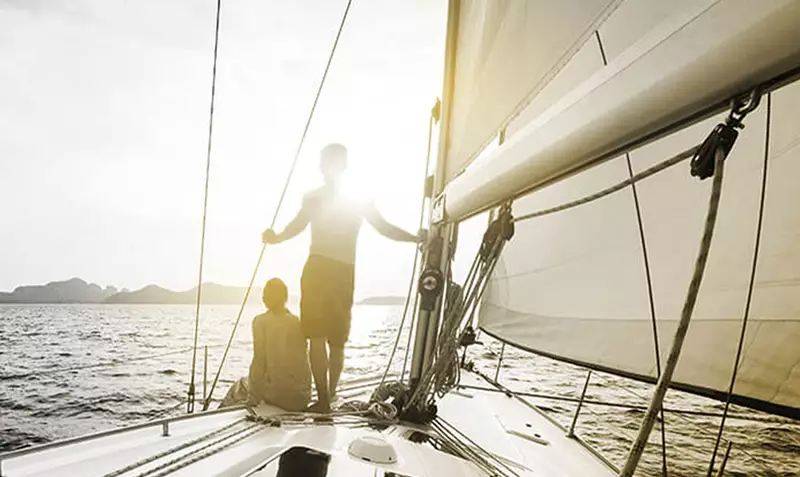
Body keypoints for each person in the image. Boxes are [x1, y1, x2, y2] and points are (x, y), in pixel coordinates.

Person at [262, 143, 421, 412]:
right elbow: (383, 227)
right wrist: (416, 237)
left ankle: (324, 398)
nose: (323, 167)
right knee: (335, 340)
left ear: (327, 166)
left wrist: (275, 238)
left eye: (324, 162)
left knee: (318, 337)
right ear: (345, 166)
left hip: (319, 269)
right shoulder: (358, 200)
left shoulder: (315, 198)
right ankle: (329, 396)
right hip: (342, 272)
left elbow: (296, 227)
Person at [248, 277, 312, 411]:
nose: (263, 298)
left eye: (264, 295)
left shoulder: (260, 322)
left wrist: (253, 398)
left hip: (277, 397)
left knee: (240, 386)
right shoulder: (297, 322)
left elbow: (259, 361)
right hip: (301, 398)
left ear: (266, 298)